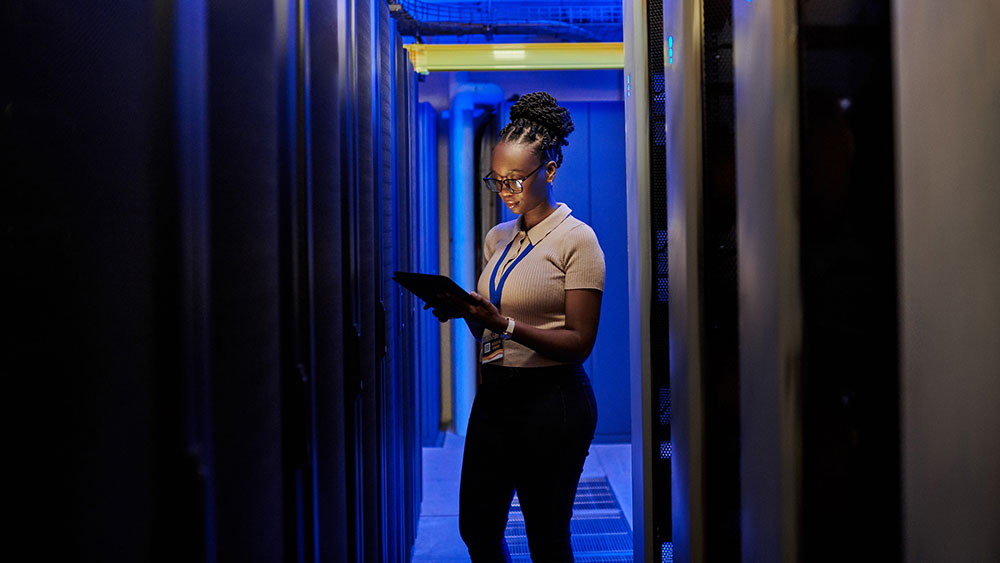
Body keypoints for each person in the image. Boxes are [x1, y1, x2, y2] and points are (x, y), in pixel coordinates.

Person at [429, 92, 606, 562]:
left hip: (554, 401)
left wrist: (503, 323)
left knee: (546, 537)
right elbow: (491, 333)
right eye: (497, 181)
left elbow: (579, 342)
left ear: (549, 170)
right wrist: (471, 314)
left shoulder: (577, 239)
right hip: (496, 399)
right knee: (477, 529)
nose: (506, 192)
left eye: (516, 180)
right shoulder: (498, 238)